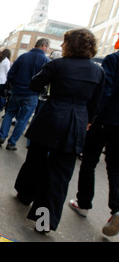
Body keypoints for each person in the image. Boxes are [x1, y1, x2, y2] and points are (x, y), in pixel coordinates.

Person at [14, 29, 105, 233]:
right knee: (60, 176)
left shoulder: (57, 64)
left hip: (52, 117)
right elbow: (96, 103)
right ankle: (45, 222)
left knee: (36, 160)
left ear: (68, 45)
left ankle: (26, 193)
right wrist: (87, 120)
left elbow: (34, 84)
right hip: (77, 122)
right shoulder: (98, 71)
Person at [68, 46, 119, 236]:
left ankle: (83, 203)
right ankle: (117, 209)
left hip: (106, 120)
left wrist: (92, 117)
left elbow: (106, 91)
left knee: (89, 161)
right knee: (115, 167)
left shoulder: (114, 59)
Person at [0, 38, 51, 151]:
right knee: (23, 120)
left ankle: (2, 136)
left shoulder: (23, 57)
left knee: (9, 113)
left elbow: (11, 74)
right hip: (32, 94)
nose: (48, 49)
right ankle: (12, 142)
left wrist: (14, 84)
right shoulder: (46, 61)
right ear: (44, 46)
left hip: (17, 91)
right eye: (48, 47)